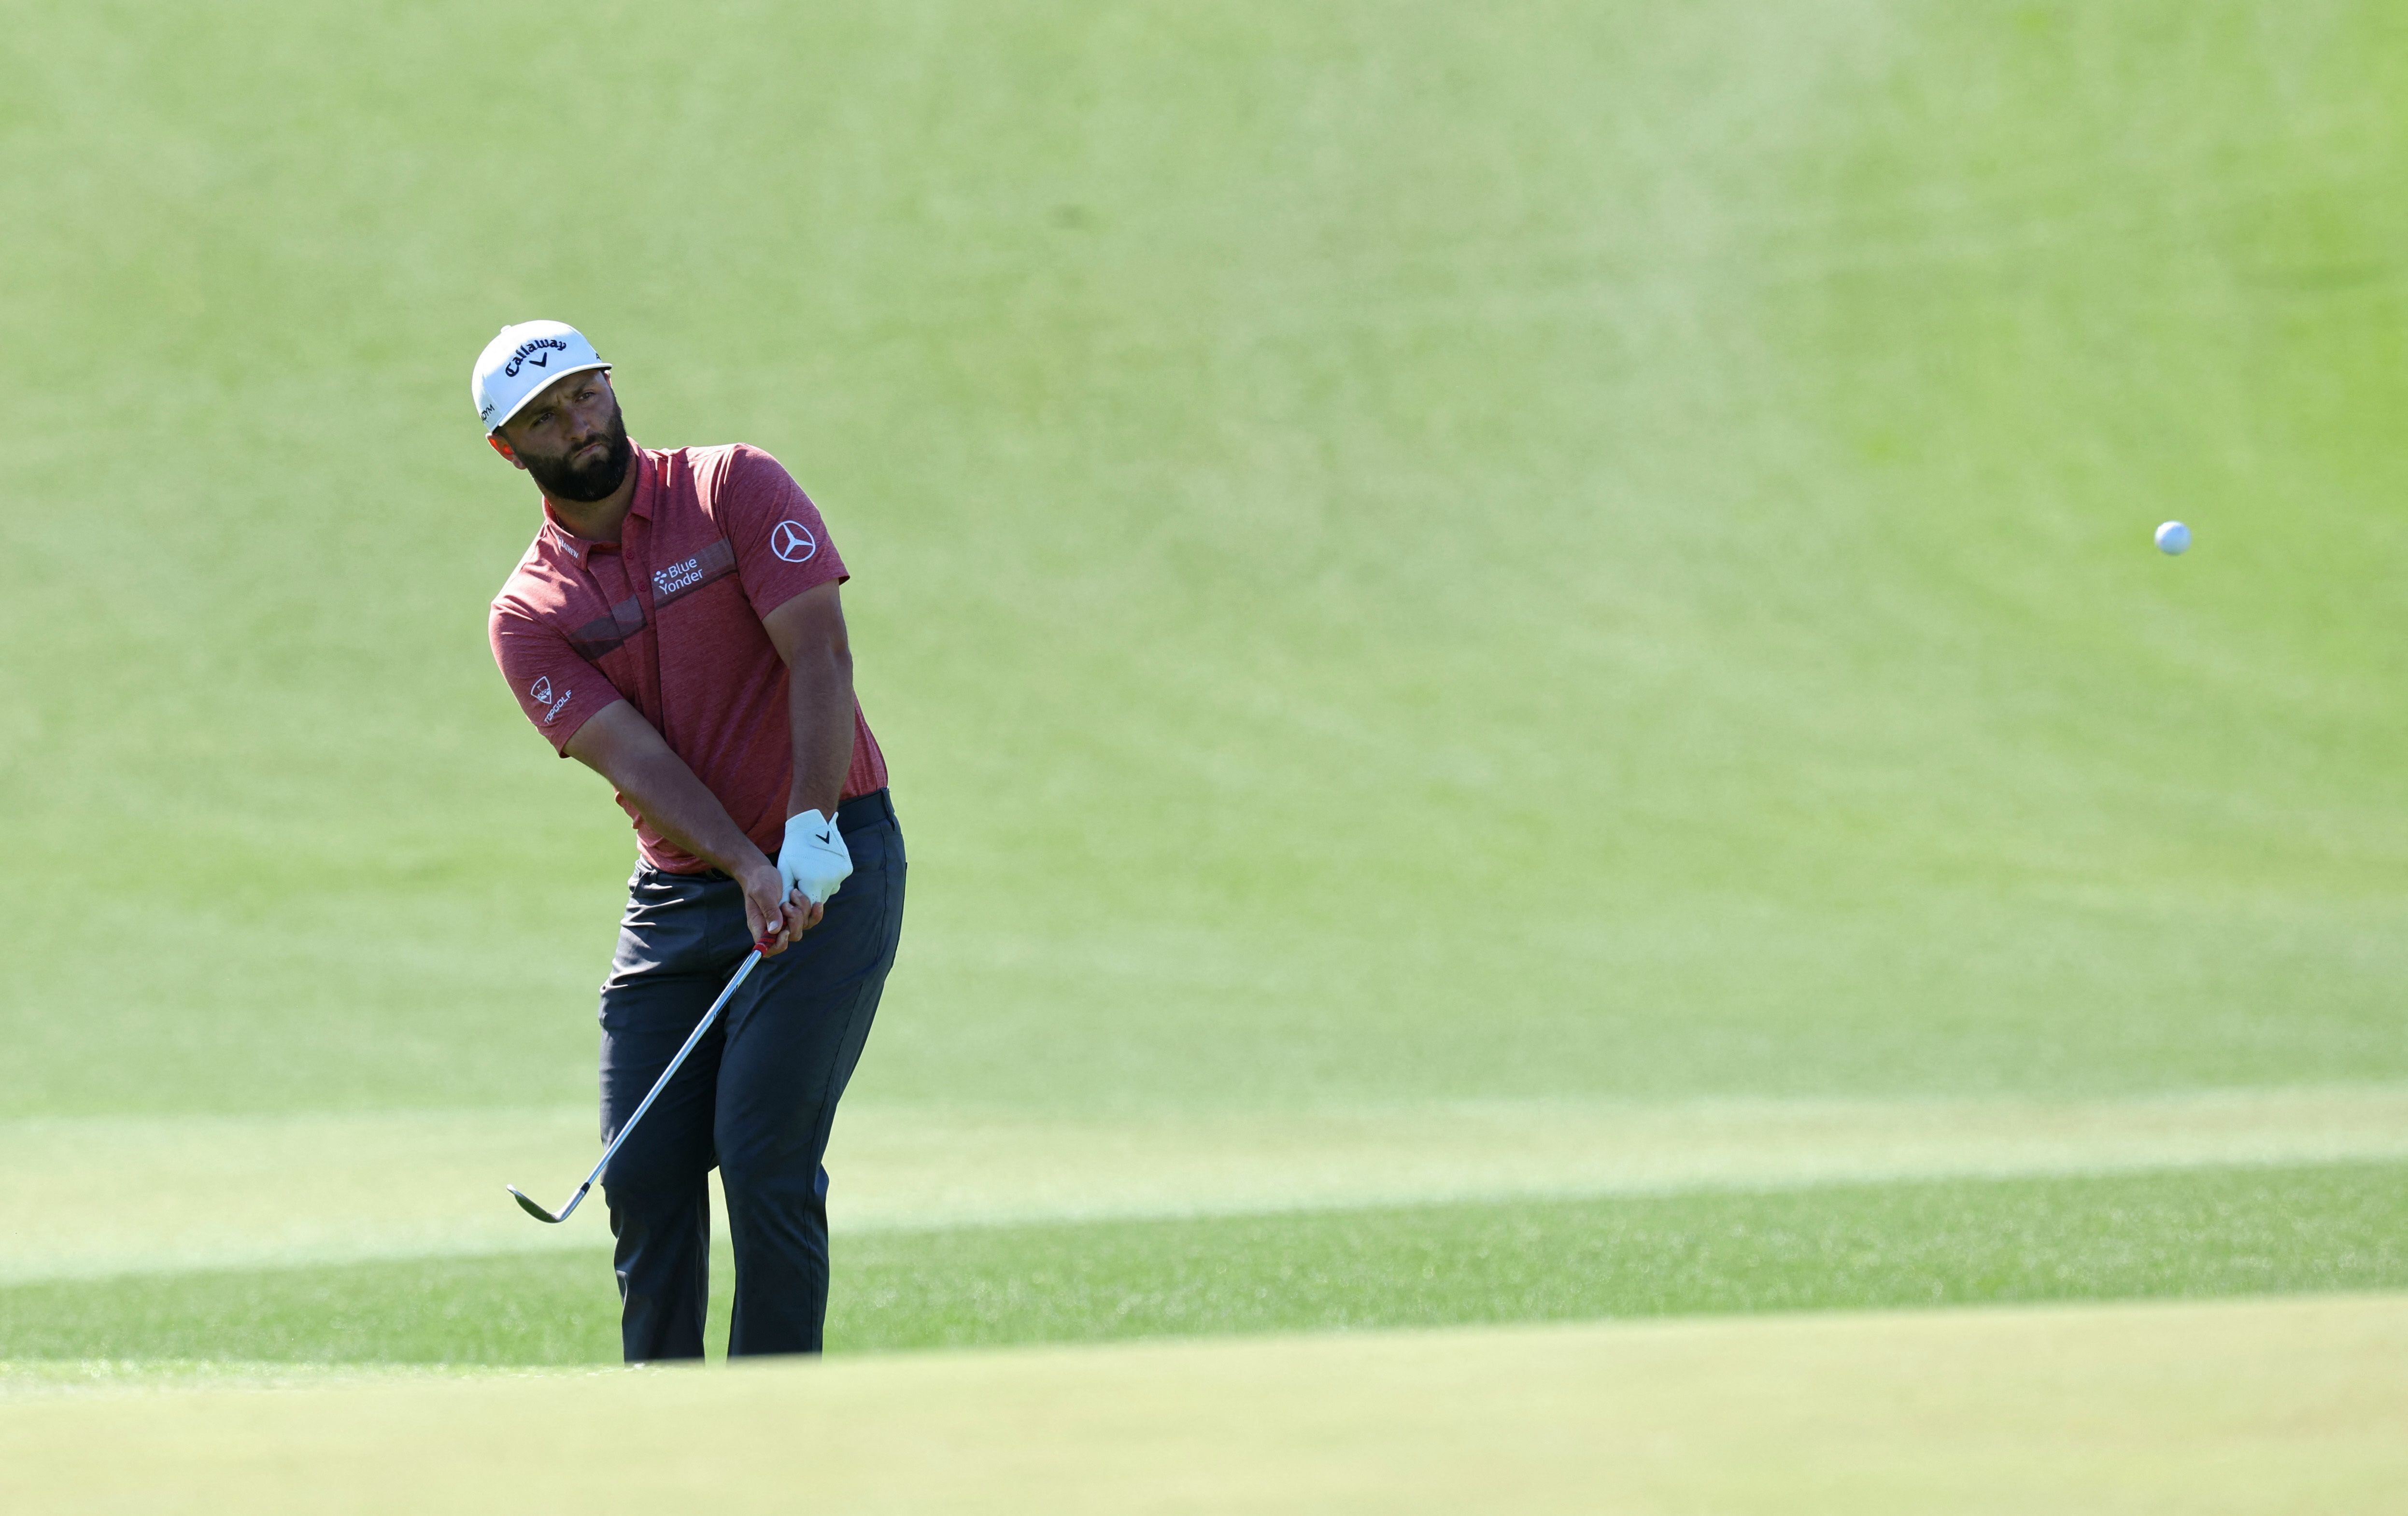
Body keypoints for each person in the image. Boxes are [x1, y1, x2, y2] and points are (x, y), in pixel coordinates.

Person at [475, 320, 905, 1361]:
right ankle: (664, 1434)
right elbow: (639, 766)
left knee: (763, 1157)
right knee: (647, 1171)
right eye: (543, 417)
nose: (576, 424)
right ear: (509, 449)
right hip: (687, 889)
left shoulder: (734, 489)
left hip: (834, 854)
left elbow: (820, 658)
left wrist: (804, 828)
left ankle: (774, 1429)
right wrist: (749, 866)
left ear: (611, 388)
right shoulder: (530, 611)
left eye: (584, 394)